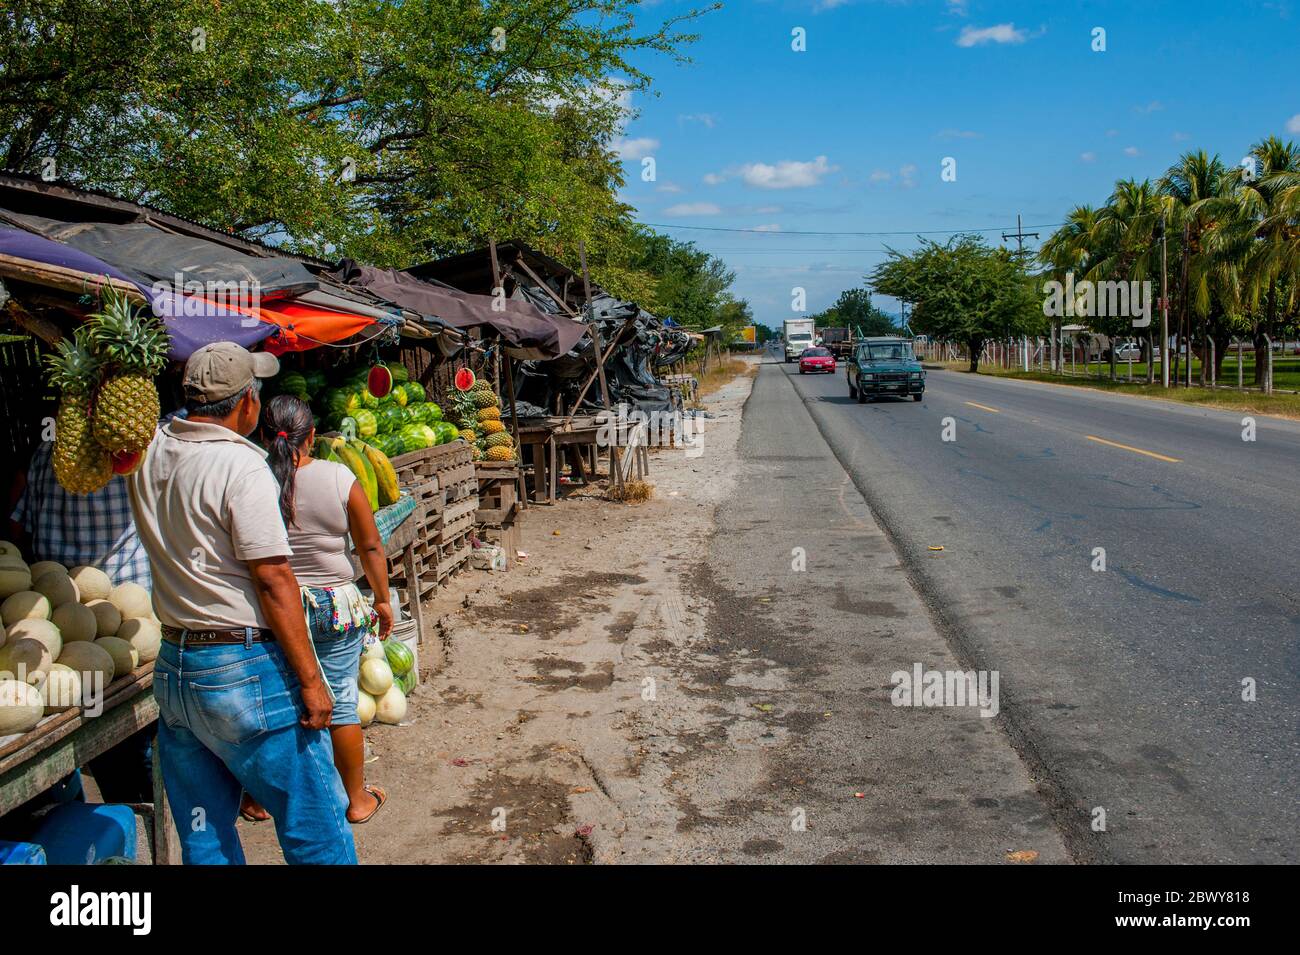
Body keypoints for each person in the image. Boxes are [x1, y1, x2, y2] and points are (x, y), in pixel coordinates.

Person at [125, 342, 355, 865]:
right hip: (242, 670)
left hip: (177, 669)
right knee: (315, 824)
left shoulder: (148, 453)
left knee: (204, 836)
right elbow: (274, 580)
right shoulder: (242, 466)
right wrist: (312, 682)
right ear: (247, 401)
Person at [240, 395, 391, 825]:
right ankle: (357, 800)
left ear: (264, 435)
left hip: (275, 606)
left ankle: (257, 798)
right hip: (334, 606)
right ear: (311, 438)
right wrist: (381, 599)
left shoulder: (251, 479)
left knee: (273, 703)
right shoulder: (339, 476)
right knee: (341, 702)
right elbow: (370, 545)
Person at [9, 443, 153, 803]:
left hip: (67, 608)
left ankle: (104, 812)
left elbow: (18, 523)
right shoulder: (132, 452)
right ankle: (132, 811)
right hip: (114, 618)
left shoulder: (45, 454)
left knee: (86, 722)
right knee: (124, 735)